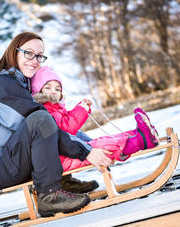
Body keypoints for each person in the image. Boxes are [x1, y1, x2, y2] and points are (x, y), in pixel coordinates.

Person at [0, 32, 113, 217]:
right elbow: (42, 126)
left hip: (10, 158)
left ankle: (61, 182)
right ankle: (49, 196)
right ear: (14, 52)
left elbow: (54, 130)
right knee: (41, 119)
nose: (34, 60)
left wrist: (93, 145)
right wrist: (87, 152)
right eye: (29, 53)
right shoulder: (2, 86)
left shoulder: (19, 83)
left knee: (48, 119)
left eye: (39, 55)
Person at [30, 66, 159, 172]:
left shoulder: (55, 109)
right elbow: (67, 128)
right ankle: (140, 140)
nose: (53, 91)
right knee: (102, 147)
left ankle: (137, 133)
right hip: (62, 159)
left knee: (102, 141)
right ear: (38, 91)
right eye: (48, 87)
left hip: (68, 153)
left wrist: (81, 107)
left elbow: (67, 119)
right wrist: (81, 109)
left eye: (57, 89)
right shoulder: (44, 111)